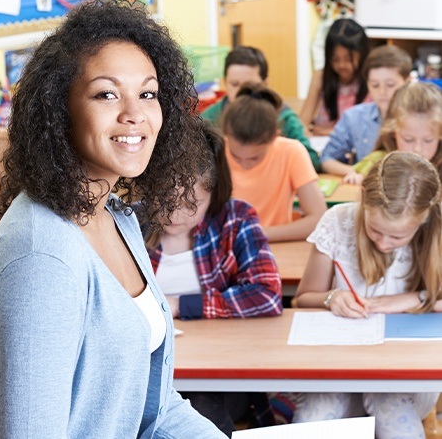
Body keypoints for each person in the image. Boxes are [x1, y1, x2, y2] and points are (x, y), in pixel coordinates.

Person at [0, 0, 227, 438]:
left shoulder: (118, 216)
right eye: (106, 93)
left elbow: (151, 407)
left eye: (147, 93)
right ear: (58, 109)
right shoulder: (41, 256)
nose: (135, 114)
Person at [144, 120, 282, 436]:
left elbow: (267, 294)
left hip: (216, 373)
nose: (175, 215)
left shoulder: (235, 218)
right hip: (149, 372)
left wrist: (180, 305)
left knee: (202, 412)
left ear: (213, 192)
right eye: (164, 201)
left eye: (192, 205)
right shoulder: (127, 222)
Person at [294, 151, 442, 439]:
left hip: (407, 374)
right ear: (363, 197)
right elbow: (303, 298)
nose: (385, 243)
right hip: (339, 367)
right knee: (313, 419)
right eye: (375, 230)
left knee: (392, 414)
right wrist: (331, 297)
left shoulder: (436, 229)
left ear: (423, 218)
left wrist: (414, 298)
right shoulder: (338, 221)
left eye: (398, 237)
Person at [221, 82, 327, 243]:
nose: (244, 164)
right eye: (236, 157)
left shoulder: (291, 152)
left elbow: (318, 218)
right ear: (226, 135)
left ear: (274, 137)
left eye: (254, 158)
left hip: (275, 248)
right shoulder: (215, 152)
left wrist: (255, 234)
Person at [201, 46, 320, 171]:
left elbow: (312, 160)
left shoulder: (283, 117)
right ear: (225, 82)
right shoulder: (209, 119)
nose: (241, 92)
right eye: (234, 84)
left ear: (265, 84)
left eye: (250, 85)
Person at [320, 44, 412, 183]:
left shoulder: (421, 117)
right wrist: (354, 172)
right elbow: (326, 159)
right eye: (375, 85)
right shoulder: (354, 117)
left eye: (390, 84)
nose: (382, 92)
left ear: (408, 82)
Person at [352, 81, 442, 181]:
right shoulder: (376, 163)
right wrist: (356, 179)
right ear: (393, 133)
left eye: (428, 140)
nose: (418, 149)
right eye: (408, 139)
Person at [300, 17, 369, 137]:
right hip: (322, 144)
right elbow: (302, 122)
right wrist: (304, 131)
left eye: (348, 59)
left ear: (362, 54)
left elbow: (369, 129)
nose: (342, 65)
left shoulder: (371, 80)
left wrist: (331, 132)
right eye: (335, 59)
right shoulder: (320, 77)